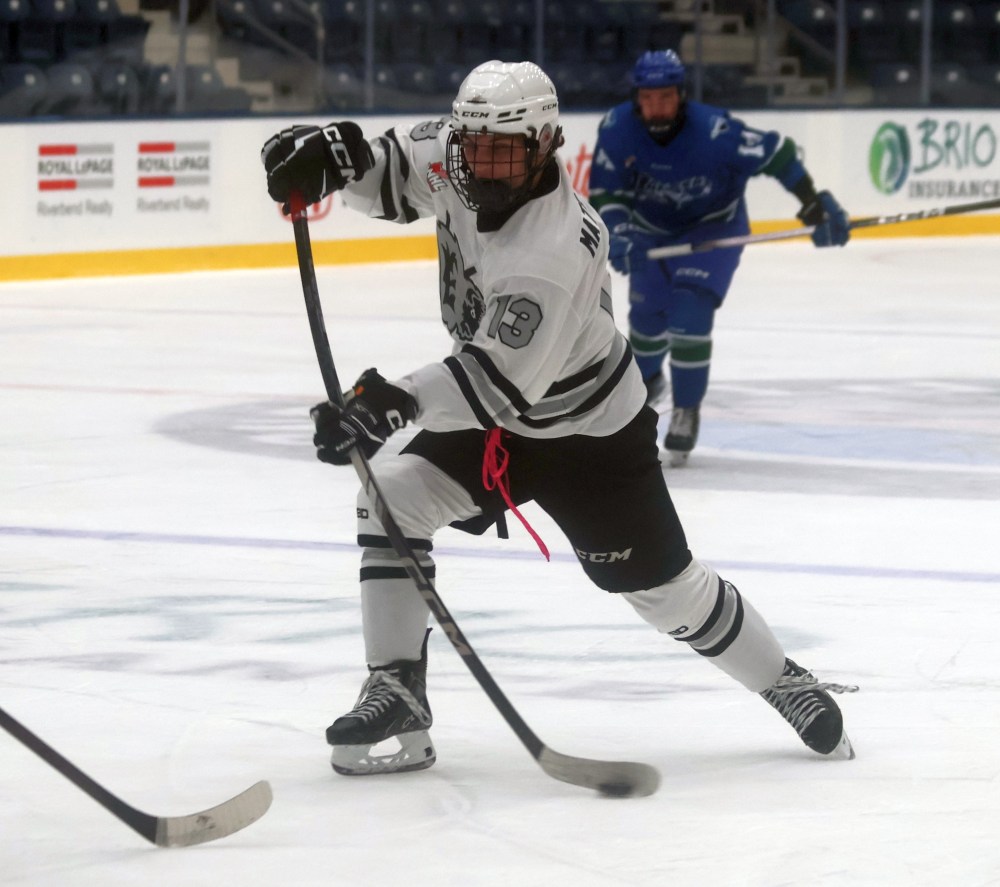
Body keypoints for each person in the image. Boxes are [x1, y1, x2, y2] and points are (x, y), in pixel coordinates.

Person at [261, 60, 855, 778]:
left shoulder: (554, 245)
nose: (482, 163)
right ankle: (397, 686)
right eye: (472, 145)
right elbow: (386, 168)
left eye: (502, 151)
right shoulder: (462, 148)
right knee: (389, 497)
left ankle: (784, 679)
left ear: (544, 144)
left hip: (589, 437)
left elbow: (495, 384)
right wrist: (330, 153)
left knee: (665, 593)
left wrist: (388, 402)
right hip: (497, 418)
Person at [588, 49, 851, 466]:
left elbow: (777, 152)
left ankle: (687, 409)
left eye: (666, 97)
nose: (656, 107)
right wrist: (618, 231)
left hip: (714, 230)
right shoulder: (617, 129)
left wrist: (813, 204)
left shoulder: (716, 132)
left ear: (682, 95)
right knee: (647, 329)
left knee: (690, 315)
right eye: (648, 97)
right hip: (652, 235)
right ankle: (650, 381)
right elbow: (606, 193)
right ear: (637, 97)